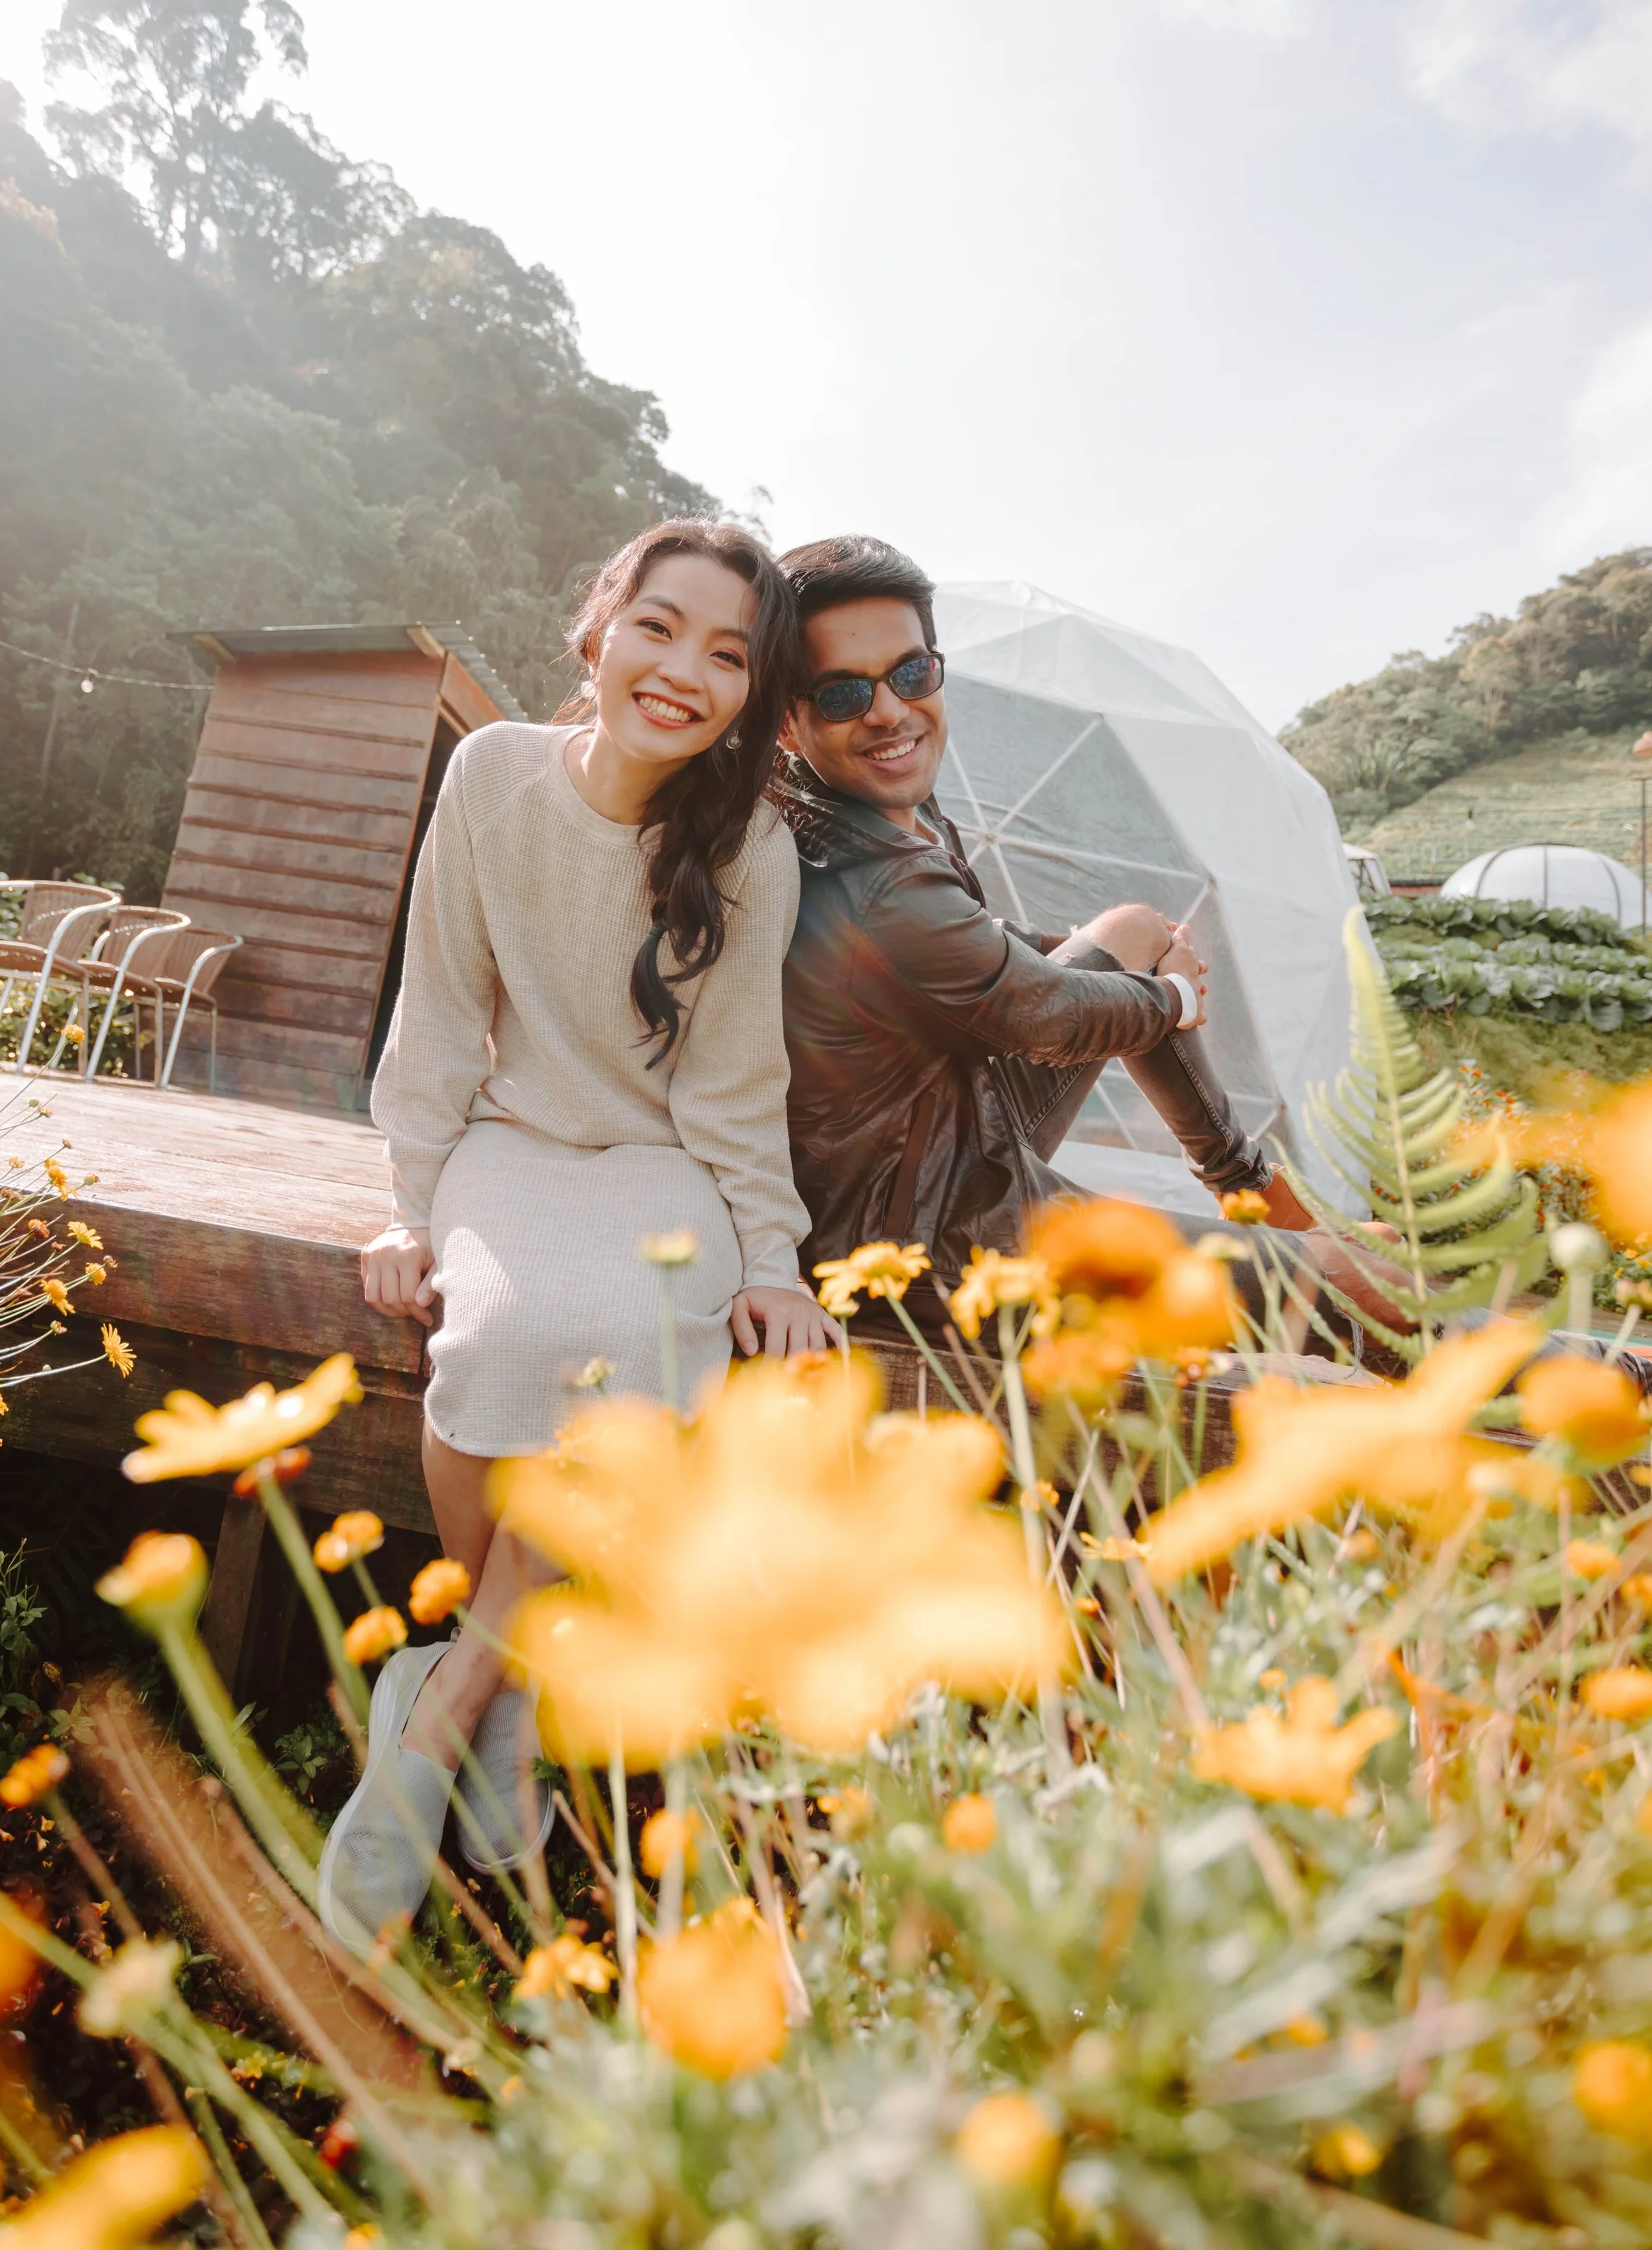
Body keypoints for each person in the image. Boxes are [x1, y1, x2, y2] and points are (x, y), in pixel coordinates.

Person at [320, 518, 830, 1947]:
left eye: (728, 656)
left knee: (631, 1341)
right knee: (495, 1335)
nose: (683, 671)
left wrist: (774, 1264)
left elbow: (734, 1086)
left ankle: (448, 1704)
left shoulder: (749, 847)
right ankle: (503, 1688)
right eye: (658, 627)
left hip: (659, 1166)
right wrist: (406, 1208)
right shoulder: (490, 779)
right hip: (513, 1148)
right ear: (597, 626)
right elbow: (435, 1017)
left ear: (746, 694)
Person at [772, 535, 1327, 1342]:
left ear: (936, 668)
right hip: (926, 1233)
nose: (888, 710)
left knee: (1132, 930)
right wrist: (1171, 1000)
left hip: (944, 1134)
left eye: (910, 674)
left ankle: (1242, 1184)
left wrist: (1119, 956)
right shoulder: (867, 871)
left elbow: (970, 944)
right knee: (1346, 1288)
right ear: (788, 724)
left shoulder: (886, 810)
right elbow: (1042, 1018)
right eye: (840, 695)